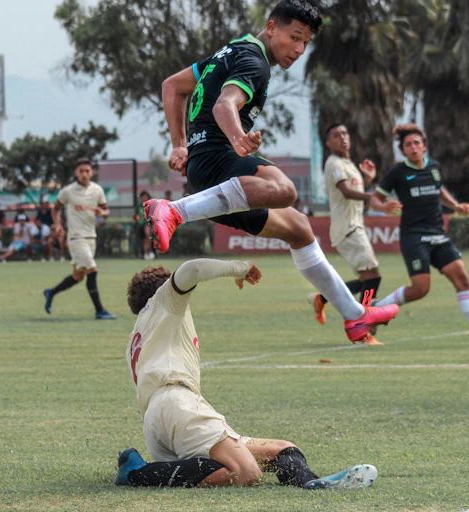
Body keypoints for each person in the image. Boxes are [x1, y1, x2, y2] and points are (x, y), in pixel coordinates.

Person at [147, 0, 398, 344]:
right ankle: (173, 211)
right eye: (294, 37)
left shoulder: (231, 50)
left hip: (204, 166)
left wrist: (179, 144)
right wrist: (237, 138)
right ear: (271, 27)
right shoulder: (256, 62)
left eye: (306, 43)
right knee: (285, 190)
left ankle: (355, 318)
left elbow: (172, 87)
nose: (298, 49)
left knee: (299, 228)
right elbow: (224, 106)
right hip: (219, 159)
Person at [118, 258, 378, 490]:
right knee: (245, 473)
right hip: (177, 405)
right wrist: (240, 267)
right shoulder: (165, 301)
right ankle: (137, 473)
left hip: (157, 421)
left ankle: (310, 482)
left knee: (284, 450)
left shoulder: (141, 332)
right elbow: (192, 269)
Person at [369, 124, 469, 347]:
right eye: (408, 145)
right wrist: (383, 207)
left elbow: (439, 189)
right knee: (421, 289)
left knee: (462, 278)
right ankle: (378, 309)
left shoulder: (434, 167)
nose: (413, 147)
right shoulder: (398, 172)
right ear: (403, 150)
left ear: (424, 146)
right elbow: (375, 198)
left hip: (438, 234)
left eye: (417, 143)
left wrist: (455, 205)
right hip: (414, 236)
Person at [307, 124, 402, 335]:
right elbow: (347, 193)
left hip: (353, 227)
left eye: (344, 133)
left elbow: (357, 199)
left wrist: (367, 180)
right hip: (348, 229)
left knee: (367, 279)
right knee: (373, 277)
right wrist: (374, 196)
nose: (342, 137)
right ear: (328, 143)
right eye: (335, 135)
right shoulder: (333, 163)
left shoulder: (348, 164)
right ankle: (363, 320)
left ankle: (322, 298)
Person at [44, 158, 116, 320]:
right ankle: (99, 310)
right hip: (76, 238)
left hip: (91, 237)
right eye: (81, 171)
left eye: (87, 171)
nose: (84, 174)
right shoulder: (68, 191)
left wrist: (102, 214)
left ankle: (51, 292)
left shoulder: (97, 190)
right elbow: (56, 210)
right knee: (92, 269)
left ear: (91, 173)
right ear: (76, 173)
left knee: (78, 276)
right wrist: (57, 224)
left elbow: (106, 212)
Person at [137, 191, 155, 260]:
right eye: (142, 196)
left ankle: (149, 251)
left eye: (145, 196)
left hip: (149, 224)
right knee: (144, 239)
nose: (144, 198)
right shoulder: (139, 206)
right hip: (141, 225)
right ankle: (146, 252)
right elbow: (137, 216)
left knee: (148, 234)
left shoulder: (151, 205)